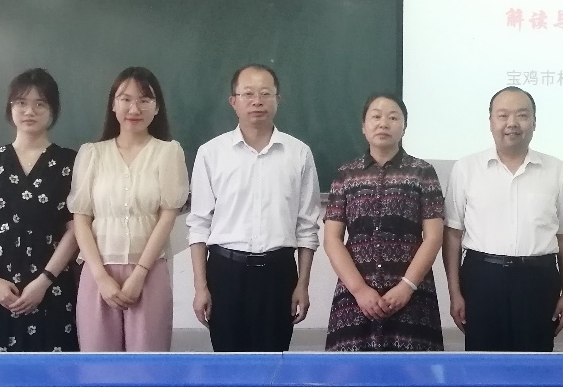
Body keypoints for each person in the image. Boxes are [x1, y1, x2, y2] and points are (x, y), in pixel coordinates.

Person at [187, 64, 321, 352]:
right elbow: (199, 225)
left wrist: (303, 284)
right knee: (229, 366)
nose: (257, 101)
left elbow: (307, 227)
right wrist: (200, 287)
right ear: (233, 101)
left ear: (278, 100)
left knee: (274, 364)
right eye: (248, 94)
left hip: (279, 274)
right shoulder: (211, 153)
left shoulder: (299, 153)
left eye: (265, 93)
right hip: (225, 274)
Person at [443, 87, 563, 351]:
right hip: (482, 278)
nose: (512, 123)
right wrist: (454, 293)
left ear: (534, 122)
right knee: (483, 365)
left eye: (522, 115)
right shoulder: (466, 168)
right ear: (490, 122)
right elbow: (452, 234)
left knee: (535, 365)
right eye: (503, 115)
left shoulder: (555, 169)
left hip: (538, 280)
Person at [68, 66, 188, 352]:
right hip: (98, 272)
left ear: (156, 107)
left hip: (149, 271)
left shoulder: (168, 152)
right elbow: (81, 219)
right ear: (113, 104)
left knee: (147, 364)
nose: (134, 108)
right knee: (99, 365)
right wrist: (100, 277)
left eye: (144, 100)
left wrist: (139, 274)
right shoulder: (92, 154)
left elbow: (167, 216)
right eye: (125, 99)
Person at [0, 68, 79, 352]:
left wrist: (44, 281)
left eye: (40, 104)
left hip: (52, 284)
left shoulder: (70, 163)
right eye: (21, 103)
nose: (29, 111)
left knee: (53, 369)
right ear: (10, 107)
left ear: (53, 110)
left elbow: (75, 228)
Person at [322, 94, 445, 351]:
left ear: (404, 126)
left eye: (393, 117)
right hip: (355, 297)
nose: (383, 123)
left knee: (414, 373)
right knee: (350, 372)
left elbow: (433, 236)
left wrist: (406, 287)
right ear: (363, 126)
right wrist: (359, 290)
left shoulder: (422, 172)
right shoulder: (346, 174)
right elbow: (332, 239)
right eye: (376, 116)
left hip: (412, 296)